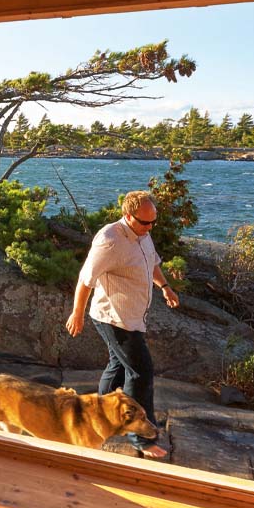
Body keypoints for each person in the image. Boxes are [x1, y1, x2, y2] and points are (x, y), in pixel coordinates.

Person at [66, 190, 178, 459]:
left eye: (153, 223)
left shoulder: (142, 233)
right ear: (128, 216)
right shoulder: (109, 240)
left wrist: (165, 286)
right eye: (145, 223)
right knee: (140, 372)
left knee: (117, 368)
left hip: (134, 317)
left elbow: (152, 264)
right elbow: (85, 279)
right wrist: (77, 313)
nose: (150, 228)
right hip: (113, 318)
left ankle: (95, 418)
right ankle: (141, 436)